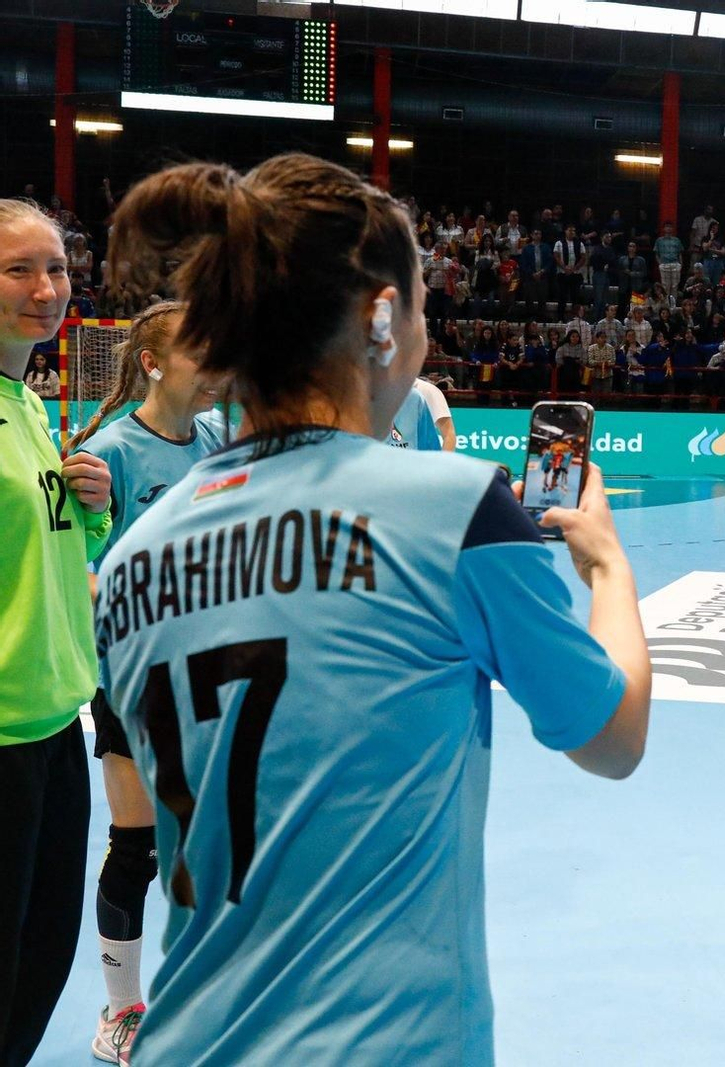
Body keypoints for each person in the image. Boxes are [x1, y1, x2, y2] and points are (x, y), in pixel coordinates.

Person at [92, 153, 651, 1063]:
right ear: (382, 318)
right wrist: (609, 571)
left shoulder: (132, 556)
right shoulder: (455, 508)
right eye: (425, 305)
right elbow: (613, 736)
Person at [63, 301, 228, 1065]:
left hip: (217, 672)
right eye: (204, 354)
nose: (219, 369)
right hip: (133, 674)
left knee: (216, 844)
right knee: (137, 847)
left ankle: (209, 995)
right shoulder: (112, 453)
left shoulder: (223, 438)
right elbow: (79, 567)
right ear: (156, 365)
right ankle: (121, 1009)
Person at [0, 197, 114, 1067]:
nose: (47, 289)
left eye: (59, 269)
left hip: (53, 727)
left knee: (35, 972)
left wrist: (95, 517)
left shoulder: (29, 407)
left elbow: (46, 557)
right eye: (19, 269)